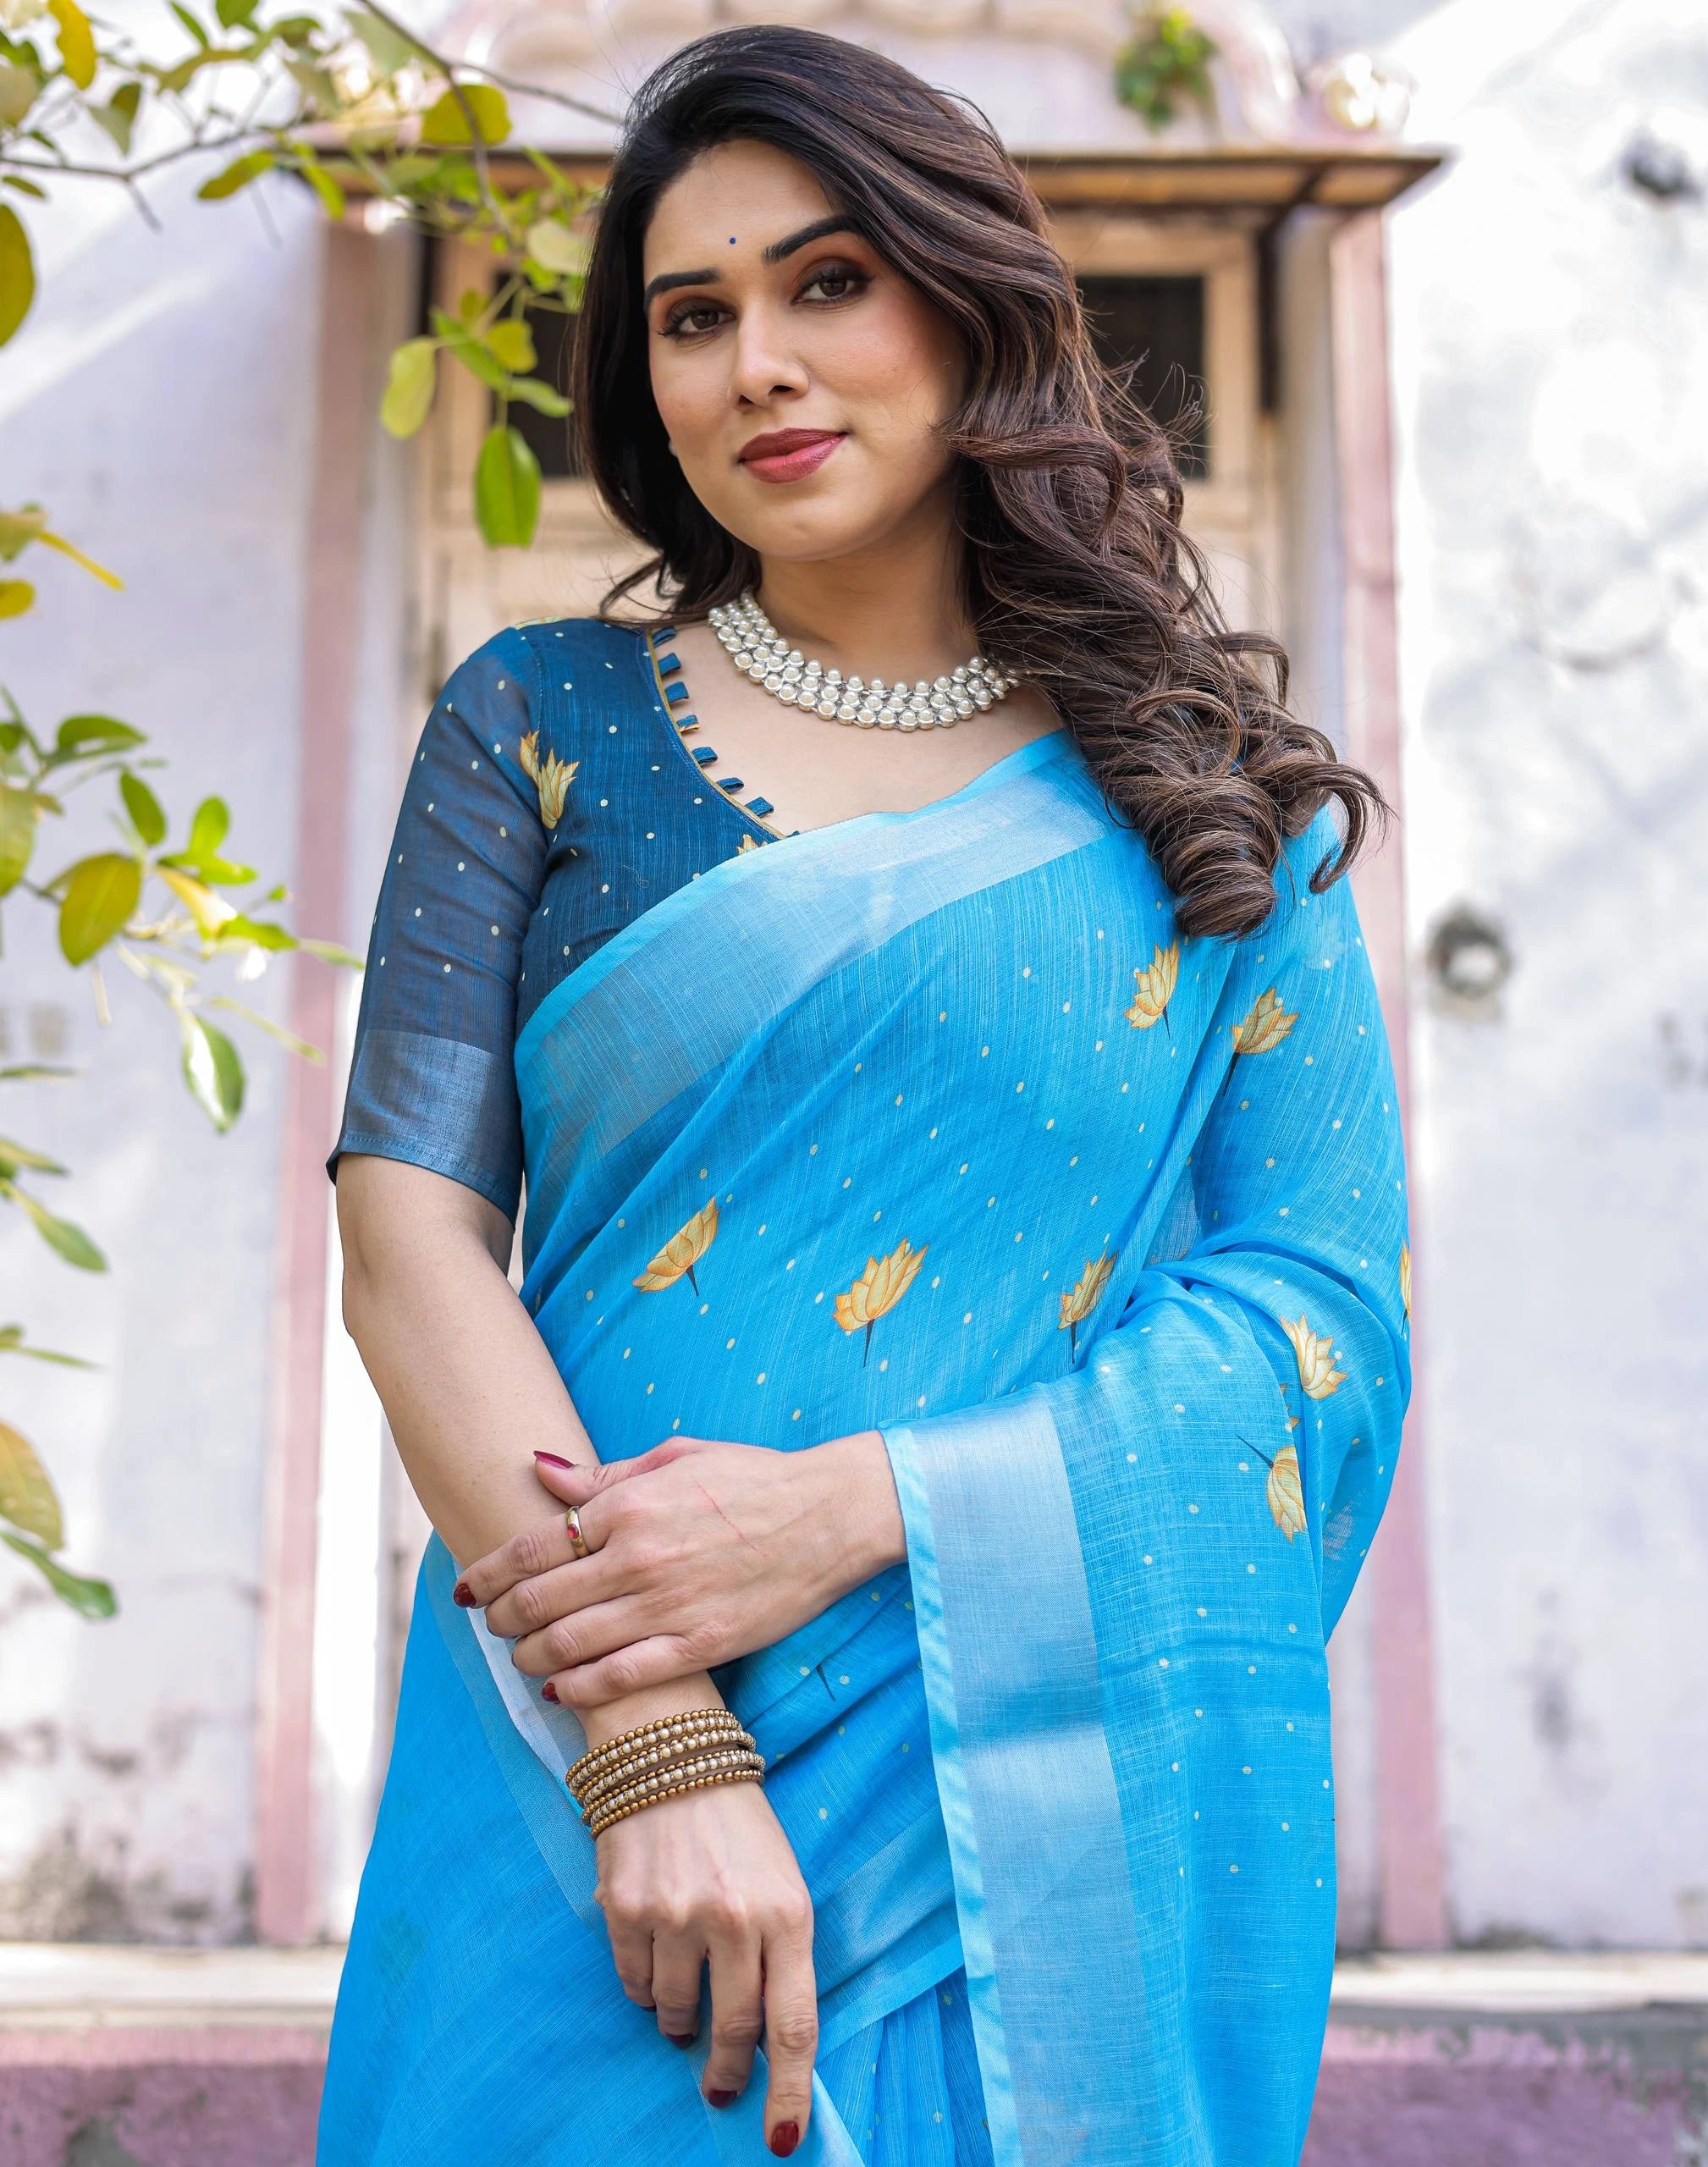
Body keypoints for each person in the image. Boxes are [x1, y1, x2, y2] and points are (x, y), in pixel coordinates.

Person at [318, 24, 1413, 2167]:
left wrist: (853, 1506)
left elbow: (1313, 1314)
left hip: (1030, 1793)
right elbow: (406, 1230)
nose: (758, 366)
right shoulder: (543, 720)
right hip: (578, 1768)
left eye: (829, 283)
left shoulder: (1207, 800)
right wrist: (652, 1744)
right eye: (691, 316)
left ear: (969, 306)